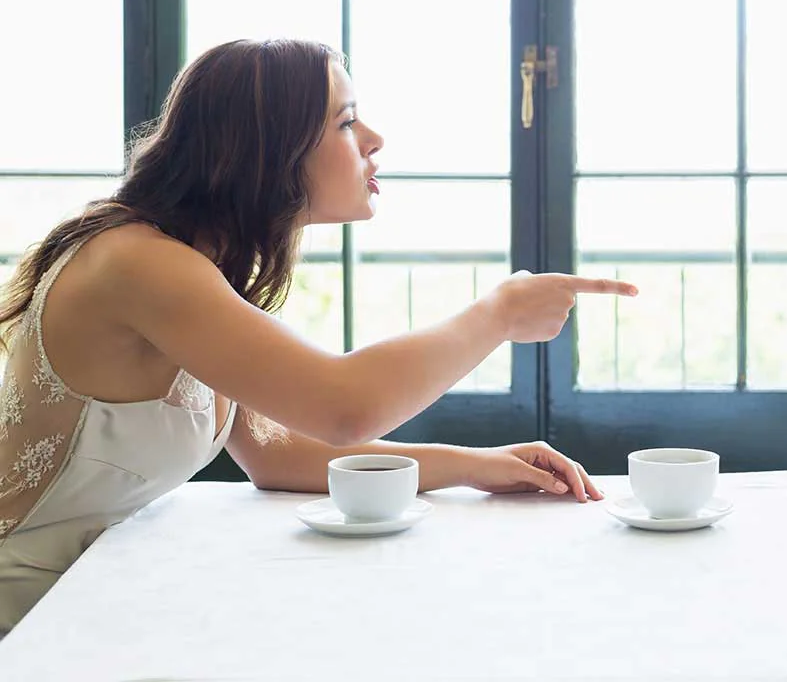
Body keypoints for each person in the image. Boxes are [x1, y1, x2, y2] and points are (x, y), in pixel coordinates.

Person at [0, 39, 637, 636]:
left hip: (93, 601)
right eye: (346, 121)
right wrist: (496, 316)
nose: (374, 139)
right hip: (28, 617)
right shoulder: (139, 264)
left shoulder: (194, 266)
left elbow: (280, 456)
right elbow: (342, 405)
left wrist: (478, 466)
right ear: (264, 149)